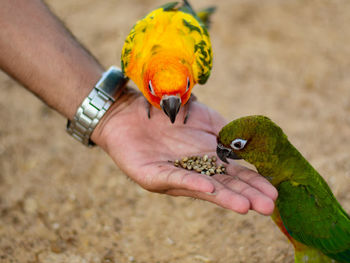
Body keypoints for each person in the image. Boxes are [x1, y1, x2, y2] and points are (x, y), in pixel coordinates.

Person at [0, 0, 277, 215]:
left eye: (184, 91)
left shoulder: (198, 58)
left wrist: (184, 95)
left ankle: (198, 28)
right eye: (156, 93)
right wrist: (114, 111)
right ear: (144, 79)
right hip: (161, 23)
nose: (172, 105)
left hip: (183, 26)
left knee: (197, 33)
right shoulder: (133, 54)